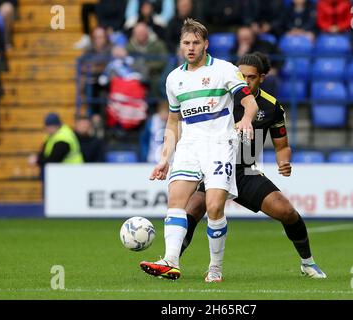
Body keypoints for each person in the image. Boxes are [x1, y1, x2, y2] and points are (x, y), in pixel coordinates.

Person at [179, 52, 326, 279]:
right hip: (215, 167)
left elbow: (282, 145)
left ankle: (308, 263)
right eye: (241, 76)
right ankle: (171, 262)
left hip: (246, 172)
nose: (245, 81)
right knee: (193, 210)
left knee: (286, 211)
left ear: (262, 78)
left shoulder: (272, 107)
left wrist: (283, 160)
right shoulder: (221, 96)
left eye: (251, 77)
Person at [139, 18, 259, 282]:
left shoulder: (225, 70)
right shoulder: (174, 79)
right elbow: (173, 121)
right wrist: (164, 158)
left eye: (195, 42)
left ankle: (215, 267)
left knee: (214, 207)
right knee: (176, 200)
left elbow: (250, 103)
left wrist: (247, 119)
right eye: (186, 43)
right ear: (180, 45)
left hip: (219, 145)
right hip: (189, 146)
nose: (190, 47)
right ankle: (171, 260)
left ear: (206, 44)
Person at [28, 113, 84, 179]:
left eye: (47, 127)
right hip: (62, 173)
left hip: (72, 172)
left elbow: (54, 160)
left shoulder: (64, 137)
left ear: (54, 126)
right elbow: (44, 151)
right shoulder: (52, 135)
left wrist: (37, 160)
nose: (46, 129)